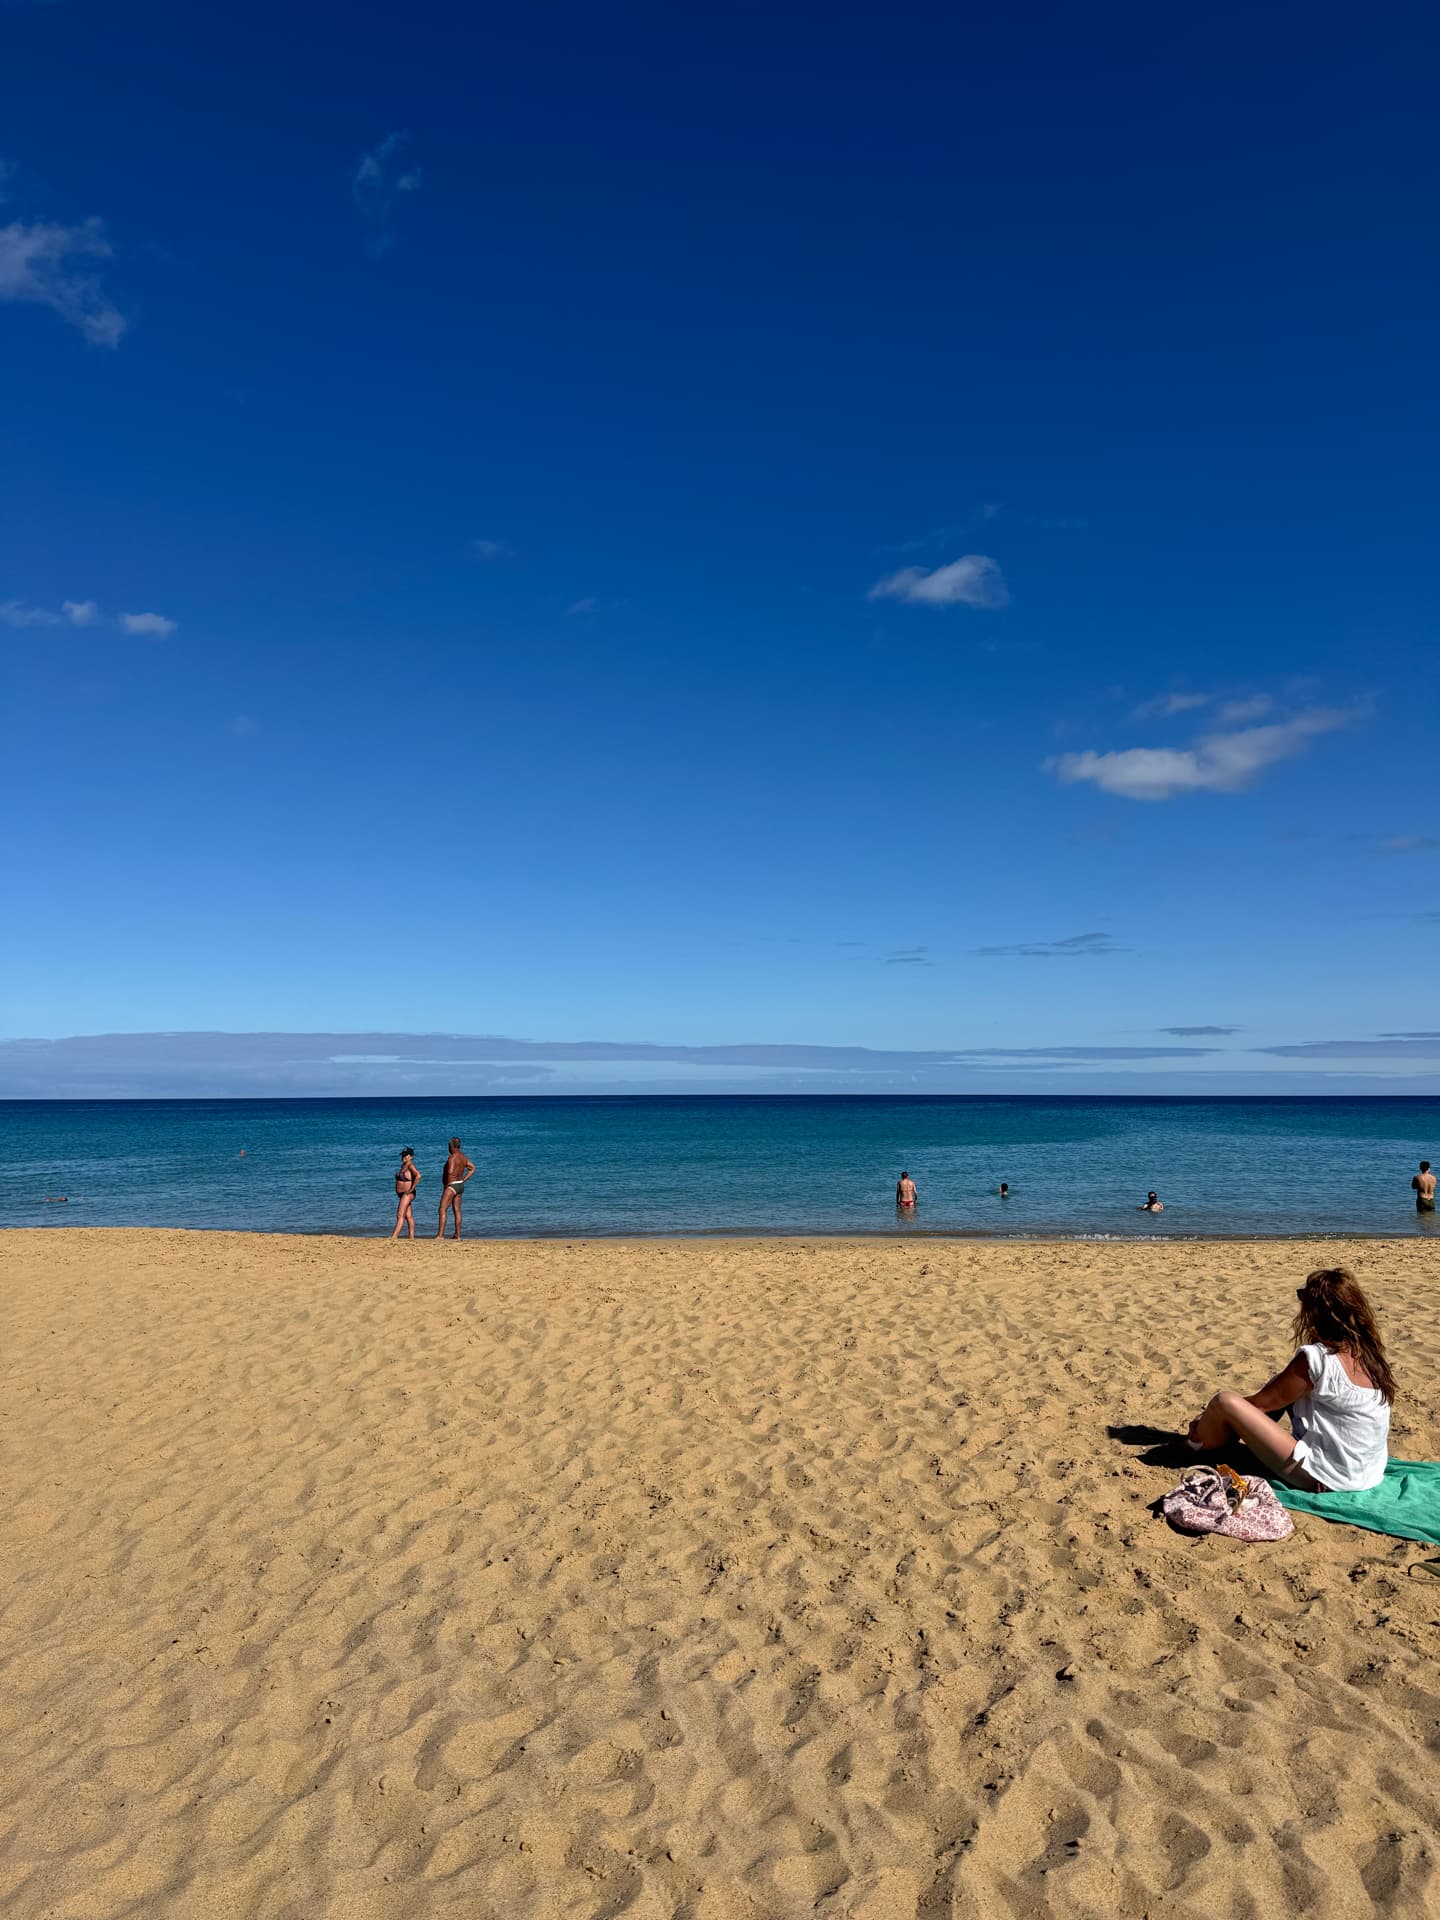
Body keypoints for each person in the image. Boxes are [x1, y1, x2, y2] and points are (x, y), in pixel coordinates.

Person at [1185, 1267, 1394, 1492]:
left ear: (1315, 1311)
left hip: (1328, 1476)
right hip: (1367, 1472)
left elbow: (1259, 1404)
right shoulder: (1370, 1355)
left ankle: (1196, 1444)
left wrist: (1208, 1417)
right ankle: (1213, 1439)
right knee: (1282, 1390)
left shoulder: (1318, 1358)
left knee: (1224, 1402)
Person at [438, 1137, 476, 1238]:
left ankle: (440, 1235)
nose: (448, 1148)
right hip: (460, 1184)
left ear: (451, 1146)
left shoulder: (452, 1157)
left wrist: (447, 1178)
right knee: (457, 1210)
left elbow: (450, 1171)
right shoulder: (463, 1157)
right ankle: (457, 1235)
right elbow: (472, 1168)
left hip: (451, 1185)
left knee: (442, 1209)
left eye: (448, 1146)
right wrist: (463, 1179)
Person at [391, 1147, 421, 1239]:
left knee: (400, 1215)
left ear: (411, 1156)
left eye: (406, 1155)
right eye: (403, 1155)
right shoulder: (403, 1165)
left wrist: (412, 1189)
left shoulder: (410, 1165)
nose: (404, 1157)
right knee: (408, 1216)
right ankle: (411, 1237)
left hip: (407, 1194)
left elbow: (418, 1176)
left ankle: (394, 1236)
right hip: (403, 1194)